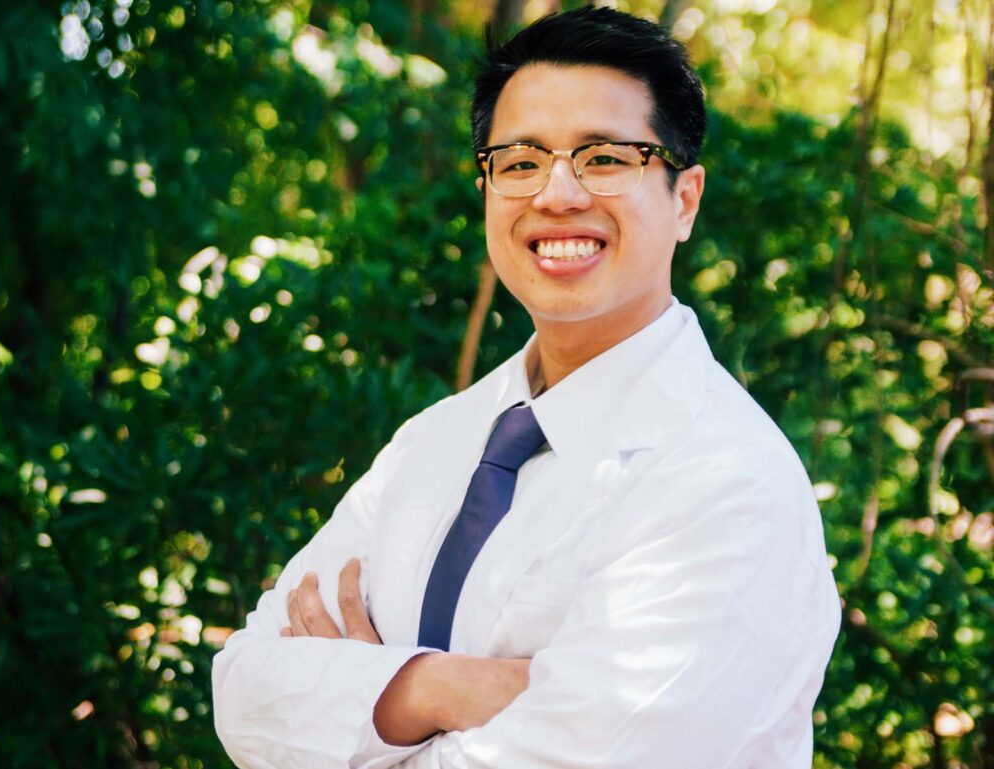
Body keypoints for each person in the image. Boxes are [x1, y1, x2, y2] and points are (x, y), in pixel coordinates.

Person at [211, 6, 841, 768]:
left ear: (685, 198)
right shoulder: (433, 443)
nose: (557, 192)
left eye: (606, 157)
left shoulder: (726, 481)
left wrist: (354, 705)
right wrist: (437, 688)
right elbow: (244, 691)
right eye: (519, 161)